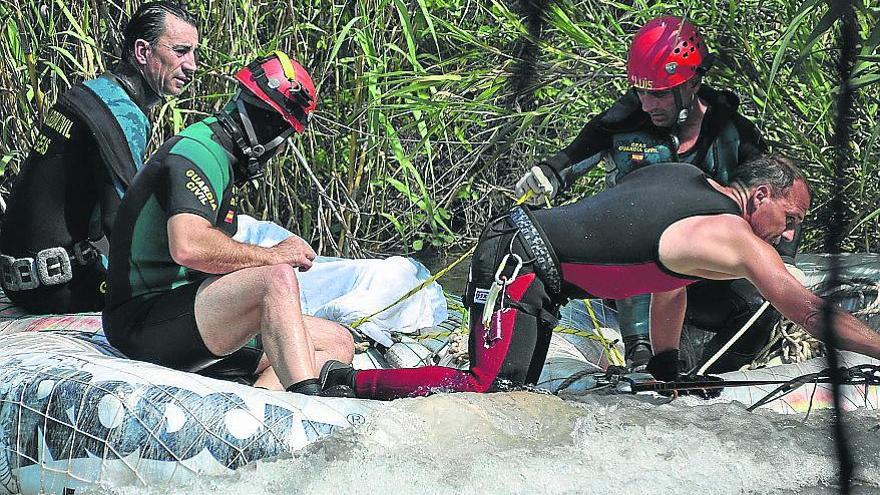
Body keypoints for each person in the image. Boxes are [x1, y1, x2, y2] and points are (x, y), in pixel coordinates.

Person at [320, 156, 880, 400]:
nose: (787, 236)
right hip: (522, 259)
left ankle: (349, 381)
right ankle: (341, 385)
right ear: (759, 197)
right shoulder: (735, 235)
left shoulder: (686, 183)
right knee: (487, 390)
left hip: (529, 260)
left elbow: (669, 283)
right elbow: (807, 309)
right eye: (789, 220)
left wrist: (666, 367)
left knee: (510, 390)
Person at [513, 16, 798, 371]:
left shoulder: (734, 134)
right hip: (636, 271)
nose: (648, 104)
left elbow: (776, 199)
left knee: (759, 308)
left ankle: (702, 377)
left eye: (659, 94)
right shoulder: (622, 123)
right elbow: (570, 160)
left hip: (702, 269)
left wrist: (785, 260)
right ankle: (641, 355)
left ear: (692, 84)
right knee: (647, 268)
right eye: (641, 92)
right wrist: (549, 174)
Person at [104, 52, 355, 395]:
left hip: (193, 313)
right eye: (284, 137)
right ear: (272, 126)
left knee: (337, 340)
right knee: (275, 279)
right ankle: (307, 401)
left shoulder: (223, 159)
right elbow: (188, 246)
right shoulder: (198, 152)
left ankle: (266, 416)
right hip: (143, 321)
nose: (278, 149)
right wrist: (273, 256)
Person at [0, 1, 198, 314]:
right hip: (54, 288)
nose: (191, 65)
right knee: (192, 295)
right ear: (142, 52)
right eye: (180, 51)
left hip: (21, 279)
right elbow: (122, 221)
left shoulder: (93, 92)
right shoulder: (120, 113)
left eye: (193, 53)